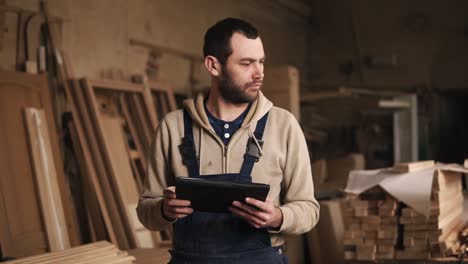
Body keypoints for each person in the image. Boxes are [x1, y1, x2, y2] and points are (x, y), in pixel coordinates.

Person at [137, 17, 319, 264]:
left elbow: (309, 209)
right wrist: (163, 210)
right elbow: (146, 211)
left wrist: (277, 217)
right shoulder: (173, 126)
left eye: (261, 62)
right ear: (213, 65)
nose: (259, 73)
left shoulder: (283, 125)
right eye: (246, 63)